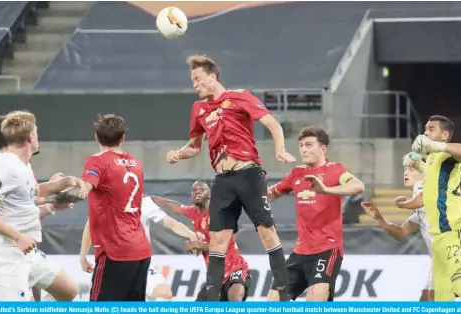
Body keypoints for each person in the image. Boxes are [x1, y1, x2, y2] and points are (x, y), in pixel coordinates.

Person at [165, 55, 295, 301]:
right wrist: (178, 154)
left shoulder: (239, 96)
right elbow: (194, 146)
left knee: (267, 232)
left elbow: (272, 124)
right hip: (223, 180)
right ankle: (212, 298)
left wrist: (279, 148)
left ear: (213, 76)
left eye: (198, 78)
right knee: (218, 239)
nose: (194, 84)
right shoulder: (199, 109)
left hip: (249, 173)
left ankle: (284, 294)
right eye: (192, 80)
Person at [0, 111, 85, 300]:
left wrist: (62, 185)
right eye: (36, 132)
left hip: (27, 253)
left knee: (68, 291)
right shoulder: (5, 167)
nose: (38, 137)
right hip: (5, 255)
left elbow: (31, 193)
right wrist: (18, 237)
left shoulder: (23, 165)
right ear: (30, 136)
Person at [265, 126, 364, 301]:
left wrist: (326, 190)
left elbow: (358, 186)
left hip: (327, 249)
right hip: (300, 252)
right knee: (273, 301)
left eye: (309, 145)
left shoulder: (335, 170)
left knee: (314, 303)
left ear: (323, 149)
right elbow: (273, 192)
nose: (304, 149)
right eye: (301, 145)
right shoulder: (297, 173)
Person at [60, 114, 150, 301]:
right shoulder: (136, 164)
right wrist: (84, 253)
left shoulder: (97, 161)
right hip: (141, 251)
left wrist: (53, 194)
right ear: (122, 139)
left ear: (96, 137)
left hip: (115, 253)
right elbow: (97, 215)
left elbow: (85, 188)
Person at [400, 115, 461, 301]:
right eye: (425, 129)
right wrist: (418, 164)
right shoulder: (434, 160)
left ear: (445, 134)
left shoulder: (447, 154)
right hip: (439, 239)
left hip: (454, 232)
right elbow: (432, 184)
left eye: (431, 129)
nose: (425, 132)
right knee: (442, 300)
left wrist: (435, 146)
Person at [79, 195, 199, 301]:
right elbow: (91, 225)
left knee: (164, 293)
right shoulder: (108, 200)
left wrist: (191, 234)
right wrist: (82, 257)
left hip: (140, 263)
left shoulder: (144, 202)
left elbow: (171, 223)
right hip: (114, 264)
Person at [150, 181, 252, 302]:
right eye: (194, 190)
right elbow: (176, 207)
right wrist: (152, 199)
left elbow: (220, 248)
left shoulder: (218, 214)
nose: (197, 191)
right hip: (215, 276)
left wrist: (197, 244)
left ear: (210, 195)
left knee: (235, 300)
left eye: (201, 189)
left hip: (235, 269)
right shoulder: (194, 212)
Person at [361, 154, 434, 301]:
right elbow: (401, 232)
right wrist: (379, 218)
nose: (406, 173)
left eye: (412, 169)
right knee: (426, 299)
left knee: (432, 300)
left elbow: (420, 199)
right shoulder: (421, 207)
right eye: (405, 169)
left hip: (450, 257)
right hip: (440, 260)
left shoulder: (428, 188)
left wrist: (403, 204)